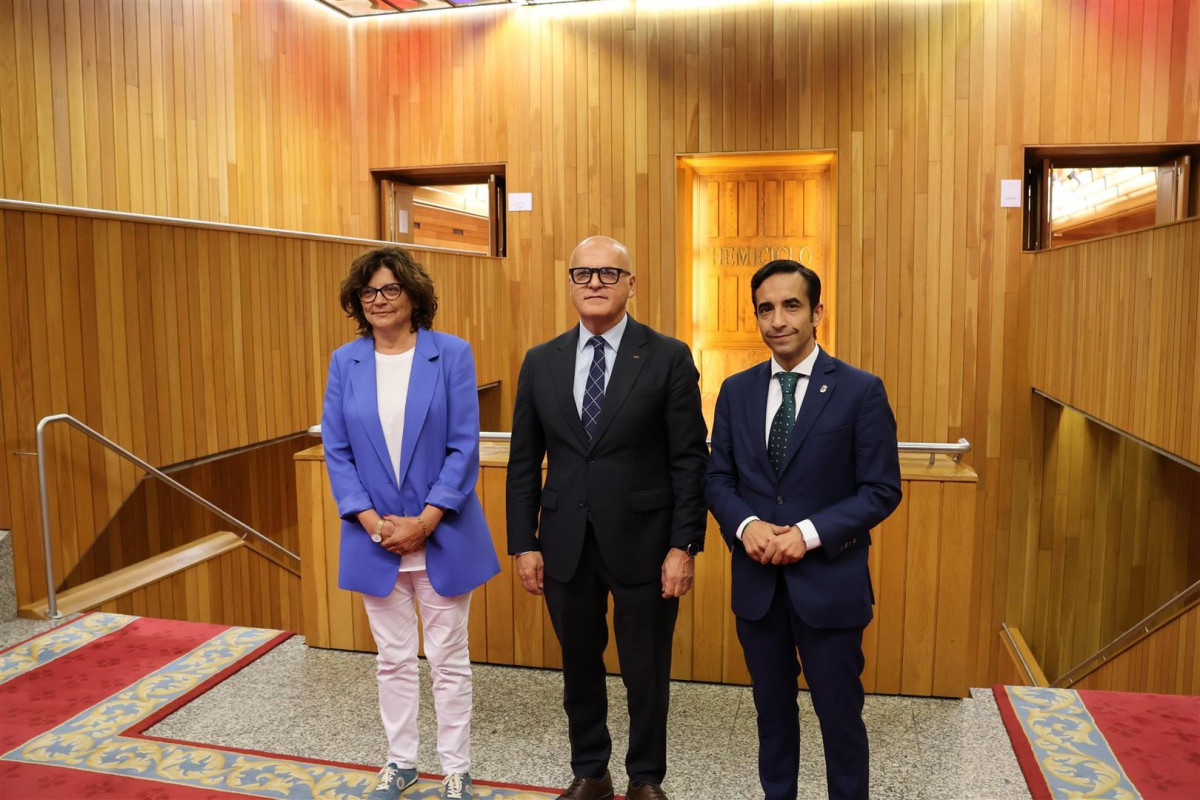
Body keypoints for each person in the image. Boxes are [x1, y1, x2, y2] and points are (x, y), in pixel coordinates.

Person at [505, 236, 709, 800]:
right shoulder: (541, 361)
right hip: (564, 542)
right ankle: (591, 771)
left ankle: (646, 778)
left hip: (647, 544)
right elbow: (524, 461)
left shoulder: (667, 356)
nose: (594, 282)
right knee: (579, 667)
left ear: (631, 284)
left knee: (646, 670)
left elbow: (690, 460)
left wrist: (684, 545)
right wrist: (524, 542)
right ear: (569, 284)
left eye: (608, 273)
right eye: (583, 273)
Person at [705, 260, 902, 800]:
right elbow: (717, 478)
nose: (778, 320)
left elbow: (881, 489)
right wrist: (746, 525)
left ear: (817, 313)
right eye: (765, 309)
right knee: (771, 715)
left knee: (840, 719)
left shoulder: (860, 390)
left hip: (830, 585)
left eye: (791, 306)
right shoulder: (736, 391)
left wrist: (808, 533)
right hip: (758, 588)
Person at [321, 245, 500, 800]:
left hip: (441, 533)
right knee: (392, 660)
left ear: (413, 295)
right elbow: (338, 452)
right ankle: (400, 762)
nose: (378, 300)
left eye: (390, 289)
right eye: (368, 291)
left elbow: (463, 447)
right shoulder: (344, 362)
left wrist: (423, 521)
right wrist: (377, 525)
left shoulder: (451, 354)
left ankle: (456, 769)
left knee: (448, 660)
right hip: (375, 540)